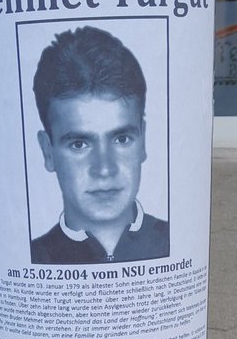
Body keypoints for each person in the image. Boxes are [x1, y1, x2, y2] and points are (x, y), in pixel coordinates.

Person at [31, 26, 169, 264]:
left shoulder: (175, 239)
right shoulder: (33, 256)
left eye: (121, 139)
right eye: (79, 144)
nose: (104, 169)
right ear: (48, 151)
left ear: (143, 141)